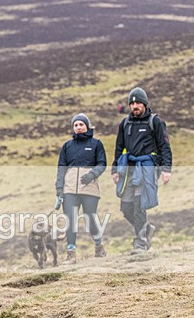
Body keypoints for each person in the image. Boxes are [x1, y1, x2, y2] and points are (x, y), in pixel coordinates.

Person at [111, 87, 172, 255]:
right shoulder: (125, 124)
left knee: (139, 206)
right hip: (129, 170)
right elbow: (119, 148)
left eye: (138, 102)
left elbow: (164, 147)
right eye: (132, 103)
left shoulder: (155, 122)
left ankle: (140, 242)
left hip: (146, 169)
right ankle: (146, 229)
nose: (135, 106)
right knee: (126, 208)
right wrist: (115, 170)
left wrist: (166, 169)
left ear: (144, 104)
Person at [55, 113, 107, 264]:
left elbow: (102, 163)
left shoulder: (96, 144)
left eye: (81, 124)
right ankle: (70, 254)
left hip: (89, 188)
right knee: (71, 220)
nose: (78, 127)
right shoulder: (67, 146)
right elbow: (61, 168)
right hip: (69, 188)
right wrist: (59, 189)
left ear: (87, 126)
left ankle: (99, 247)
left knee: (90, 219)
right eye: (75, 125)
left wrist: (93, 174)